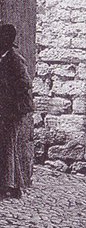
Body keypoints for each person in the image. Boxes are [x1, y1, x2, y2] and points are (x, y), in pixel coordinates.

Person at [0, 24, 34, 199]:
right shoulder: (3, 58)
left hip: (14, 110)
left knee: (7, 144)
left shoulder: (15, 60)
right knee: (8, 145)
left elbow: (25, 83)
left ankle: (9, 185)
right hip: (5, 109)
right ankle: (15, 185)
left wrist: (11, 98)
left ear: (7, 41)